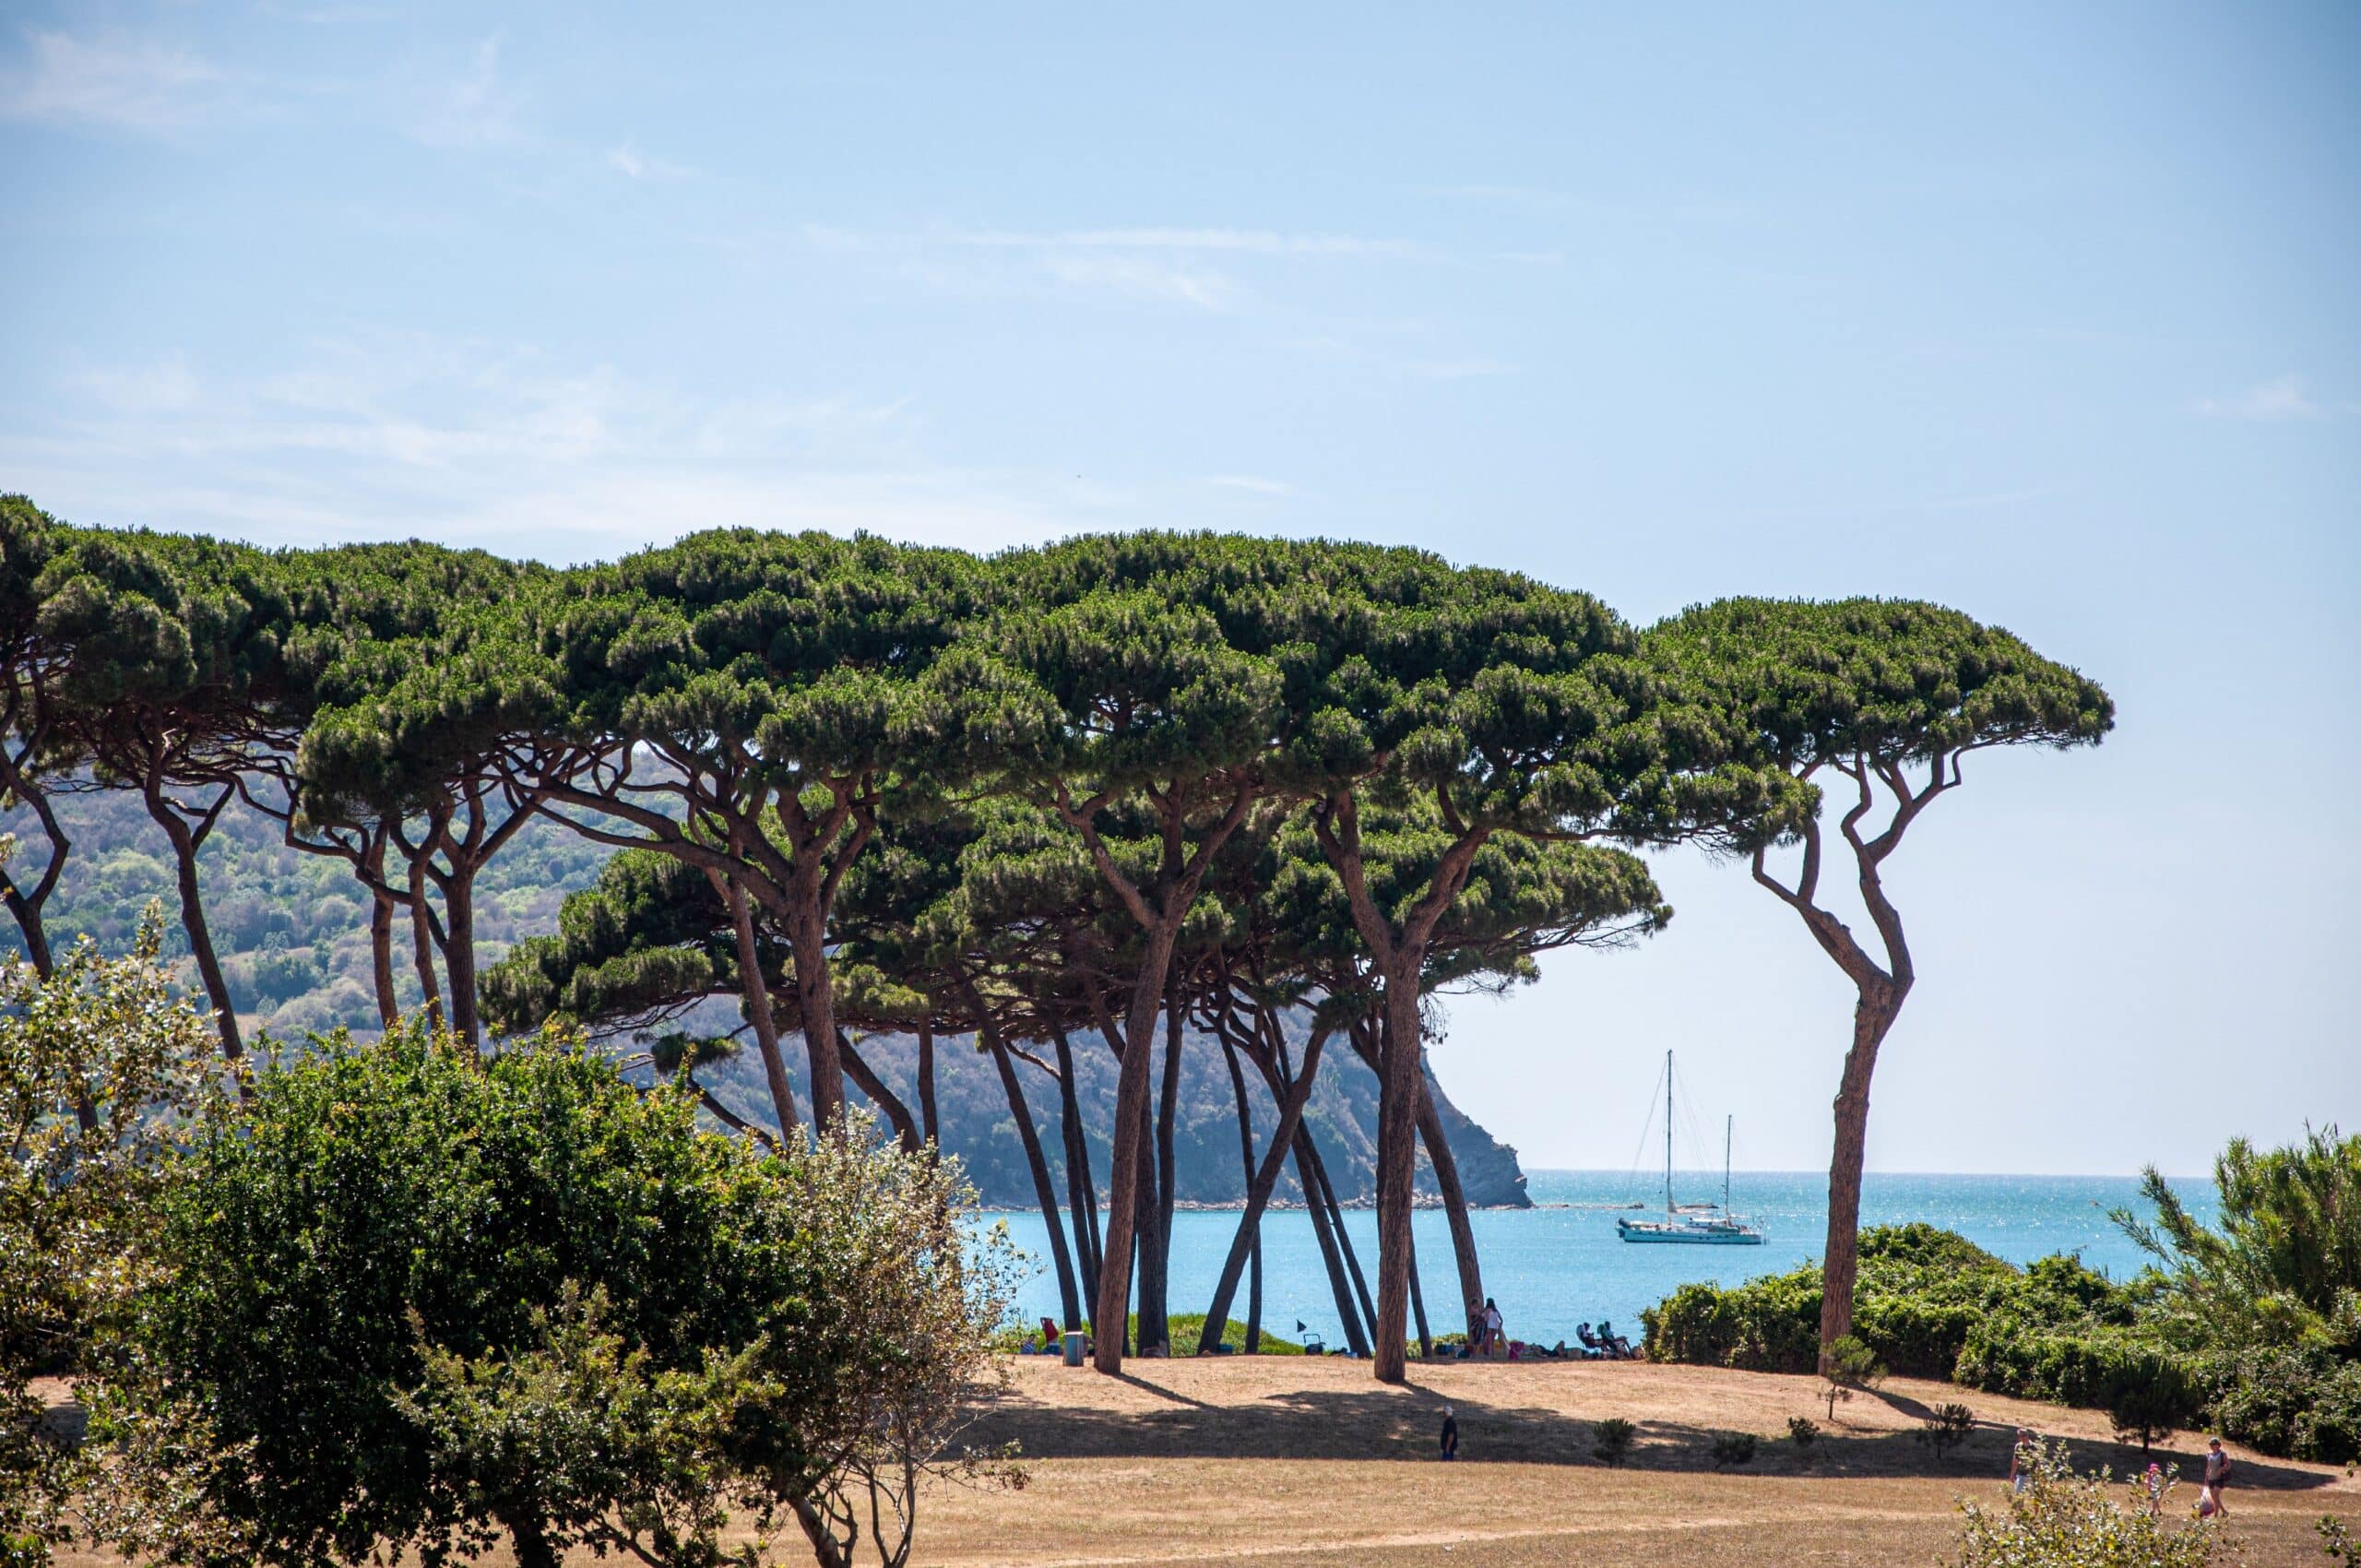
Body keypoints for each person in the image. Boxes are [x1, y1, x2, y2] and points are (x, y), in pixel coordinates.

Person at [2202, 1437, 2232, 1518]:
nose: (2212, 1446)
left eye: (2214, 1444)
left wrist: (2223, 1468)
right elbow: (2208, 1467)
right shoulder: (2208, 1454)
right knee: (2214, 1497)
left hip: (2219, 1478)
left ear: (2218, 1445)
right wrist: (2206, 1478)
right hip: (2211, 1478)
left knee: (2216, 1495)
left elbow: (2229, 1465)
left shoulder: (2223, 1454)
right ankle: (2225, 1512)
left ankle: (2215, 1516)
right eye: (2211, 1444)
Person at [2009, 1430, 2034, 1495]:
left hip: (2033, 1476)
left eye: (2023, 1436)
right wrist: (2012, 1474)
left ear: (2027, 1436)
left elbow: (2039, 1463)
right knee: (2018, 1495)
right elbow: (2015, 1461)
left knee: (2035, 1498)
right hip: (2021, 1475)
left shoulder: (2035, 1447)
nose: (2021, 1438)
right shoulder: (2018, 1446)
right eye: (2019, 1436)